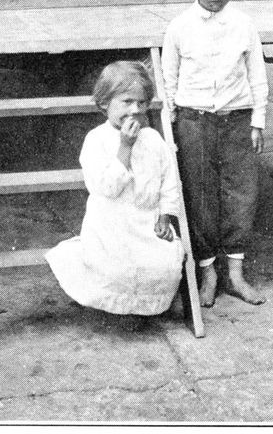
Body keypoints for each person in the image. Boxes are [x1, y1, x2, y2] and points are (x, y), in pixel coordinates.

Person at [161, 0, 268, 308]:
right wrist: (173, 123)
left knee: (241, 194)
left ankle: (235, 274)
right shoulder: (179, 27)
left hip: (237, 119)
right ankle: (208, 273)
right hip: (195, 121)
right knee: (200, 196)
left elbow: (257, 76)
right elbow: (169, 80)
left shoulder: (244, 25)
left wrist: (258, 121)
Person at [45, 61, 184, 316]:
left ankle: (145, 308)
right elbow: (106, 188)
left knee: (164, 263)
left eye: (142, 103)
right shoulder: (96, 140)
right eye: (127, 102)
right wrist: (125, 147)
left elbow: (169, 181)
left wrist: (165, 215)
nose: (135, 110)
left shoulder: (153, 139)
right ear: (104, 103)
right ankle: (117, 310)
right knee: (114, 268)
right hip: (111, 225)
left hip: (146, 222)